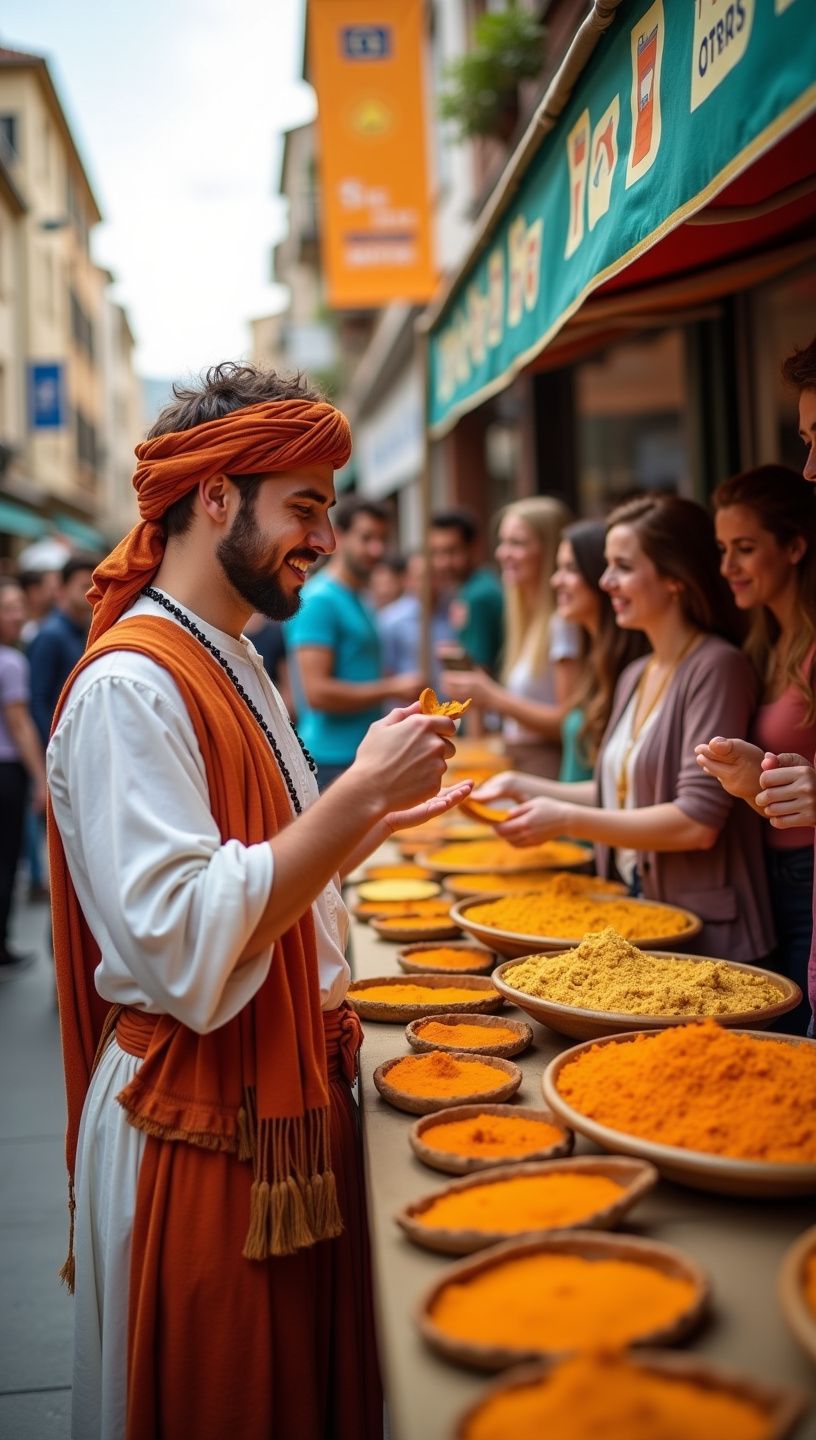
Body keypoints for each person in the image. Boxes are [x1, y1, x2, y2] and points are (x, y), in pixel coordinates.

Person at [46, 363, 472, 1440]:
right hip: (199, 1130)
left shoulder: (229, 653)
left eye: (327, 511)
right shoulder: (128, 687)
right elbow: (186, 939)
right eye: (308, 507)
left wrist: (370, 817)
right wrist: (357, 796)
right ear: (218, 497)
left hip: (264, 1113)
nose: (325, 538)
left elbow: (268, 865)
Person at [475, 495, 774, 964]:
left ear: (675, 578)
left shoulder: (718, 666)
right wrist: (522, 786)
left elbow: (696, 823)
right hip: (645, 911)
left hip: (709, 937)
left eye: (622, 567)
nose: (606, 581)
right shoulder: (639, 672)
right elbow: (622, 791)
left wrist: (566, 818)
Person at [697, 336, 816, 1028]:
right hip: (776, 880)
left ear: (794, 547)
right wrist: (755, 780)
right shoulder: (762, 641)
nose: (730, 567)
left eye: (746, 549)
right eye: (723, 550)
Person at [442, 496, 582, 778]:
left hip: (547, 770)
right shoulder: (527, 618)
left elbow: (569, 722)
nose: (503, 553)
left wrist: (490, 696)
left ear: (550, 549)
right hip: (522, 765)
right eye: (502, 542)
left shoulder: (562, 623)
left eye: (517, 543)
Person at [287, 496, 421, 789]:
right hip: (331, 758)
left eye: (383, 539)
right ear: (340, 536)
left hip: (361, 752)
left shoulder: (359, 597)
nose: (377, 549)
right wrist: (392, 687)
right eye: (366, 538)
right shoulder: (319, 599)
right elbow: (316, 692)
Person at [551, 519, 649, 782]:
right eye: (558, 568)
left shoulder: (630, 665)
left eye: (570, 568)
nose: (556, 580)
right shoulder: (592, 654)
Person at [0, 579, 47, 969]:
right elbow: (19, 724)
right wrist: (40, 776)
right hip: (7, 773)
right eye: (8, 608)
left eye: (19, 605)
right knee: (5, 860)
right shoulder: (11, 662)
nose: (19, 615)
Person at [28, 552, 97, 746]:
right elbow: (37, 701)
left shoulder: (85, 630)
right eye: (84, 586)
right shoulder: (50, 635)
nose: (93, 591)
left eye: (96, 585)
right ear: (63, 589)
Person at [428, 509, 504, 674]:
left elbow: (481, 670)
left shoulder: (478, 596)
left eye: (451, 551)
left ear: (473, 548)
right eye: (437, 553)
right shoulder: (471, 587)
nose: (442, 562)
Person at [377, 551, 455, 693]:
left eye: (434, 576)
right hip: (406, 707)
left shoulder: (452, 615)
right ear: (408, 580)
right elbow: (383, 671)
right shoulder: (391, 620)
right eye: (421, 577)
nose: (429, 583)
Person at [18, 566, 60, 645]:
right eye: (49, 588)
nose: (54, 593)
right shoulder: (18, 628)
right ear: (33, 592)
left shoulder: (55, 617)